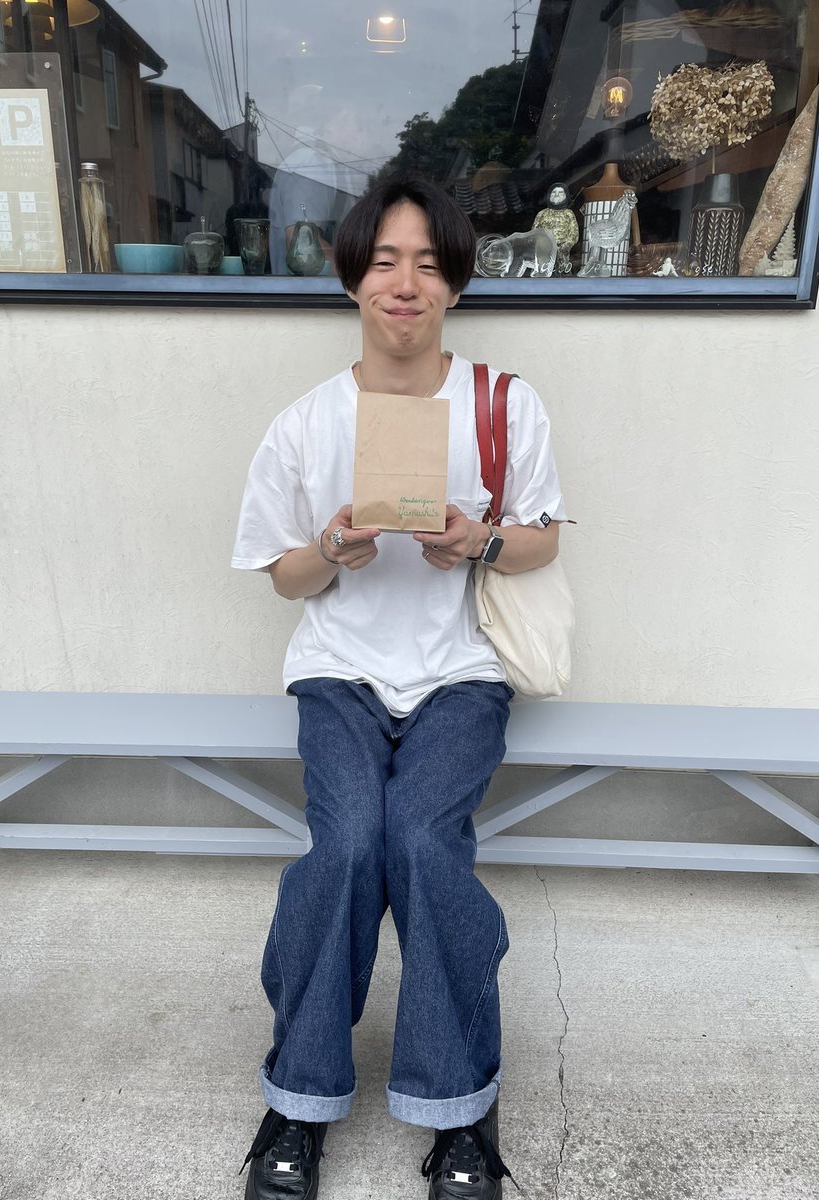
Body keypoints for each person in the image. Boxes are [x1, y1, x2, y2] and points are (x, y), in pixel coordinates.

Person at [231, 176, 567, 1199]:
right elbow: (283, 577)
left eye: (427, 263)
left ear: (456, 284)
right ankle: (300, 1093)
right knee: (346, 847)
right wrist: (333, 548)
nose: (405, 283)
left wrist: (481, 540)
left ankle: (457, 1105)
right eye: (384, 261)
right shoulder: (305, 424)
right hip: (338, 673)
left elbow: (543, 542)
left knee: (421, 842)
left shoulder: (504, 405)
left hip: (461, 674)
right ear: (351, 279)